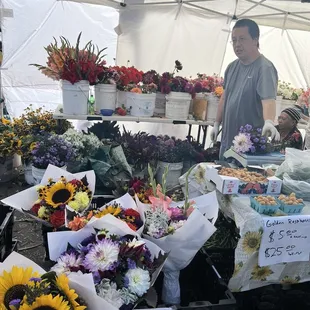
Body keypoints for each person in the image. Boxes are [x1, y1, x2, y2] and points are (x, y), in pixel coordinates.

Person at [211, 19, 280, 159]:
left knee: (244, 180)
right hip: (227, 140)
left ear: (255, 40)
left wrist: (268, 121)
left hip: (249, 147)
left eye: (242, 39)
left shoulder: (264, 68)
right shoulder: (232, 67)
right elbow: (225, 97)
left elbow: (268, 100)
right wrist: (216, 123)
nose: (237, 45)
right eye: (234, 40)